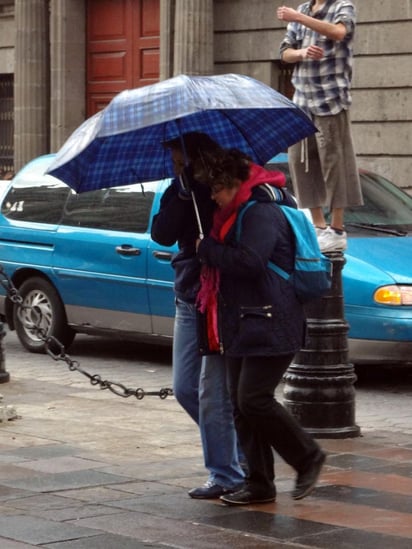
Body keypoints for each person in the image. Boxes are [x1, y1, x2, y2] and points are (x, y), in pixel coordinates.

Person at [195, 148, 326, 505]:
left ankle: (307, 456)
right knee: (241, 404)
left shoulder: (260, 213)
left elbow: (251, 262)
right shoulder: (235, 214)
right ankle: (259, 483)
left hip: (272, 320)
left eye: (217, 189)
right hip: (245, 322)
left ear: (235, 184)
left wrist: (208, 250)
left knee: (254, 398)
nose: (213, 196)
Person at [151, 132, 245, 499]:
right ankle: (241, 454)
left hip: (218, 297)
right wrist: (181, 192)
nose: (175, 167)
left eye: (179, 161)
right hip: (188, 293)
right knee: (185, 387)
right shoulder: (179, 189)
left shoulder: (222, 189)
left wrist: (203, 199)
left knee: (213, 394)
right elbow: (161, 233)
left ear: (195, 157)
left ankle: (228, 473)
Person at [277, 1, 363, 253]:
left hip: (331, 99)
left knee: (335, 162)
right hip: (302, 100)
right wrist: (301, 53)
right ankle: (318, 226)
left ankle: (337, 229)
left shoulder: (342, 6)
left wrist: (299, 18)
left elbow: (339, 32)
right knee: (301, 161)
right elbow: (284, 53)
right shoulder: (302, 9)